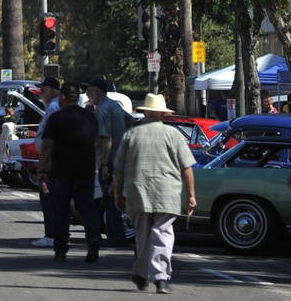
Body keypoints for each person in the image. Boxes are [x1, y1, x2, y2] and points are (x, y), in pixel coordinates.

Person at [111, 94, 197, 294]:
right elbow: (187, 167)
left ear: (146, 112)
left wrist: (117, 193)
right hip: (168, 192)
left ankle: (141, 275)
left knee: (143, 235)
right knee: (163, 233)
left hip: (138, 191)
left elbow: (119, 169)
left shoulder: (131, 135)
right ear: (163, 113)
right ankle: (161, 278)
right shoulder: (174, 135)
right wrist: (191, 194)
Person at [38, 82, 102, 263]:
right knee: (88, 208)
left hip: (61, 171)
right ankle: (93, 237)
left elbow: (47, 145)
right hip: (86, 171)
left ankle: (60, 250)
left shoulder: (56, 118)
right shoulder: (91, 118)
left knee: (61, 211)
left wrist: (42, 170)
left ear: (63, 97)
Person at [87, 77, 132, 246]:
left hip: (110, 161)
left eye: (90, 90)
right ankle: (115, 233)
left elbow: (107, 139)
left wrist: (104, 164)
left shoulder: (103, 110)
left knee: (111, 198)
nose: (87, 94)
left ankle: (117, 236)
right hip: (120, 158)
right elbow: (132, 122)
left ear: (98, 92)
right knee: (114, 197)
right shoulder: (115, 106)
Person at [32, 75, 61, 248]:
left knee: (48, 198)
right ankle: (55, 233)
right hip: (50, 158)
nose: (41, 94)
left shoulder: (53, 107)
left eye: (43, 90)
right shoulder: (53, 106)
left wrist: (45, 162)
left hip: (50, 160)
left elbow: (49, 138)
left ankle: (51, 234)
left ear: (51, 91)